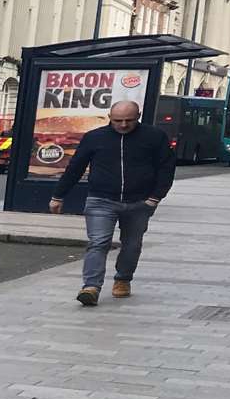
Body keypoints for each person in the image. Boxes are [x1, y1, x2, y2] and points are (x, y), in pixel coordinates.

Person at [49, 100, 174, 306]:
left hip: (140, 201)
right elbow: (75, 167)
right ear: (109, 117)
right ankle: (91, 287)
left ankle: (123, 279)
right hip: (101, 199)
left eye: (129, 120)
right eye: (117, 120)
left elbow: (166, 168)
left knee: (132, 245)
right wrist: (58, 196)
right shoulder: (94, 137)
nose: (123, 125)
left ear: (139, 116)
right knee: (98, 242)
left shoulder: (154, 137)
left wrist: (155, 197)